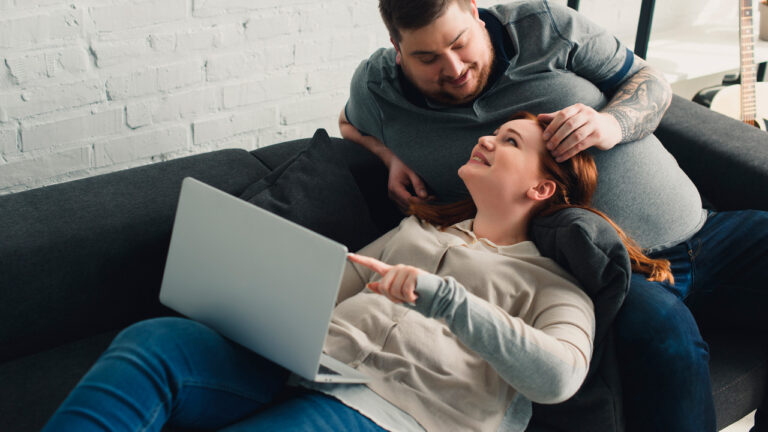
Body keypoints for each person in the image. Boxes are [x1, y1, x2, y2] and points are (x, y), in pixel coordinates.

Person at [339, 0, 768, 431]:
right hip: (612, 275)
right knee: (666, 337)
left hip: (705, 229)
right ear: (397, 50)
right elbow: (347, 122)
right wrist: (386, 155)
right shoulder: (378, 90)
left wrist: (611, 124)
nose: (455, 68)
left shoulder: (543, 26)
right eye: (428, 58)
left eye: (461, 43)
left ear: (475, 13)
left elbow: (651, 83)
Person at [42, 114, 670, 432]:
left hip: (394, 410)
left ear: (541, 186)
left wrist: (443, 298)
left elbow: (557, 377)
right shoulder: (415, 230)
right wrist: (249, 279)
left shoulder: (554, 287)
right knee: (151, 344)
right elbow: (328, 291)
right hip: (304, 364)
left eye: (507, 141)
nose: (485, 140)